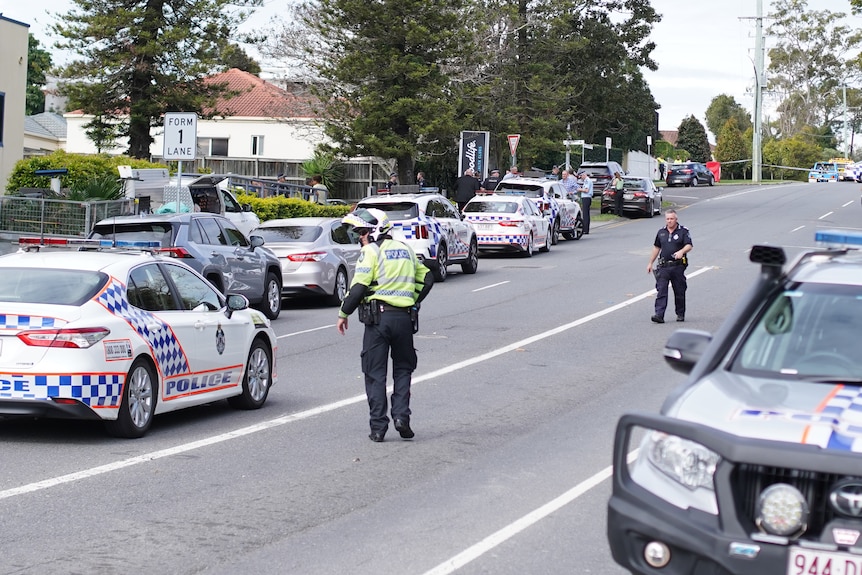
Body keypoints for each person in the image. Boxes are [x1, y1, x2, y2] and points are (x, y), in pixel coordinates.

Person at [337, 208, 434, 442]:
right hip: (403, 319)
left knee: (375, 373)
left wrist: (343, 313)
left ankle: (378, 428)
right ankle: (402, 417)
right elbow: (428, 277)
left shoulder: (370, 251)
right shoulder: (406, 250)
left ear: (374, 231)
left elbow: (359, 287)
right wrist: (412, 300)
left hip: (378, 320)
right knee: (403, 369)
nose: (359, 237)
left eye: (361, 232)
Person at [647, 209, 692, 324]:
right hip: (664, 266)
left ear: (676, 219)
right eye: (667, 219)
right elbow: (656, 248)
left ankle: (680, 313)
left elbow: (689, 245)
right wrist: (650, 262)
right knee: (661, 290)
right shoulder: (661, 232)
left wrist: (682, 251)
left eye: (672, 219)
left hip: (677, 266)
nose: (669, 221)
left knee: (679, 291)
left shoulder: (683, 231)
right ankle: (659, 315)